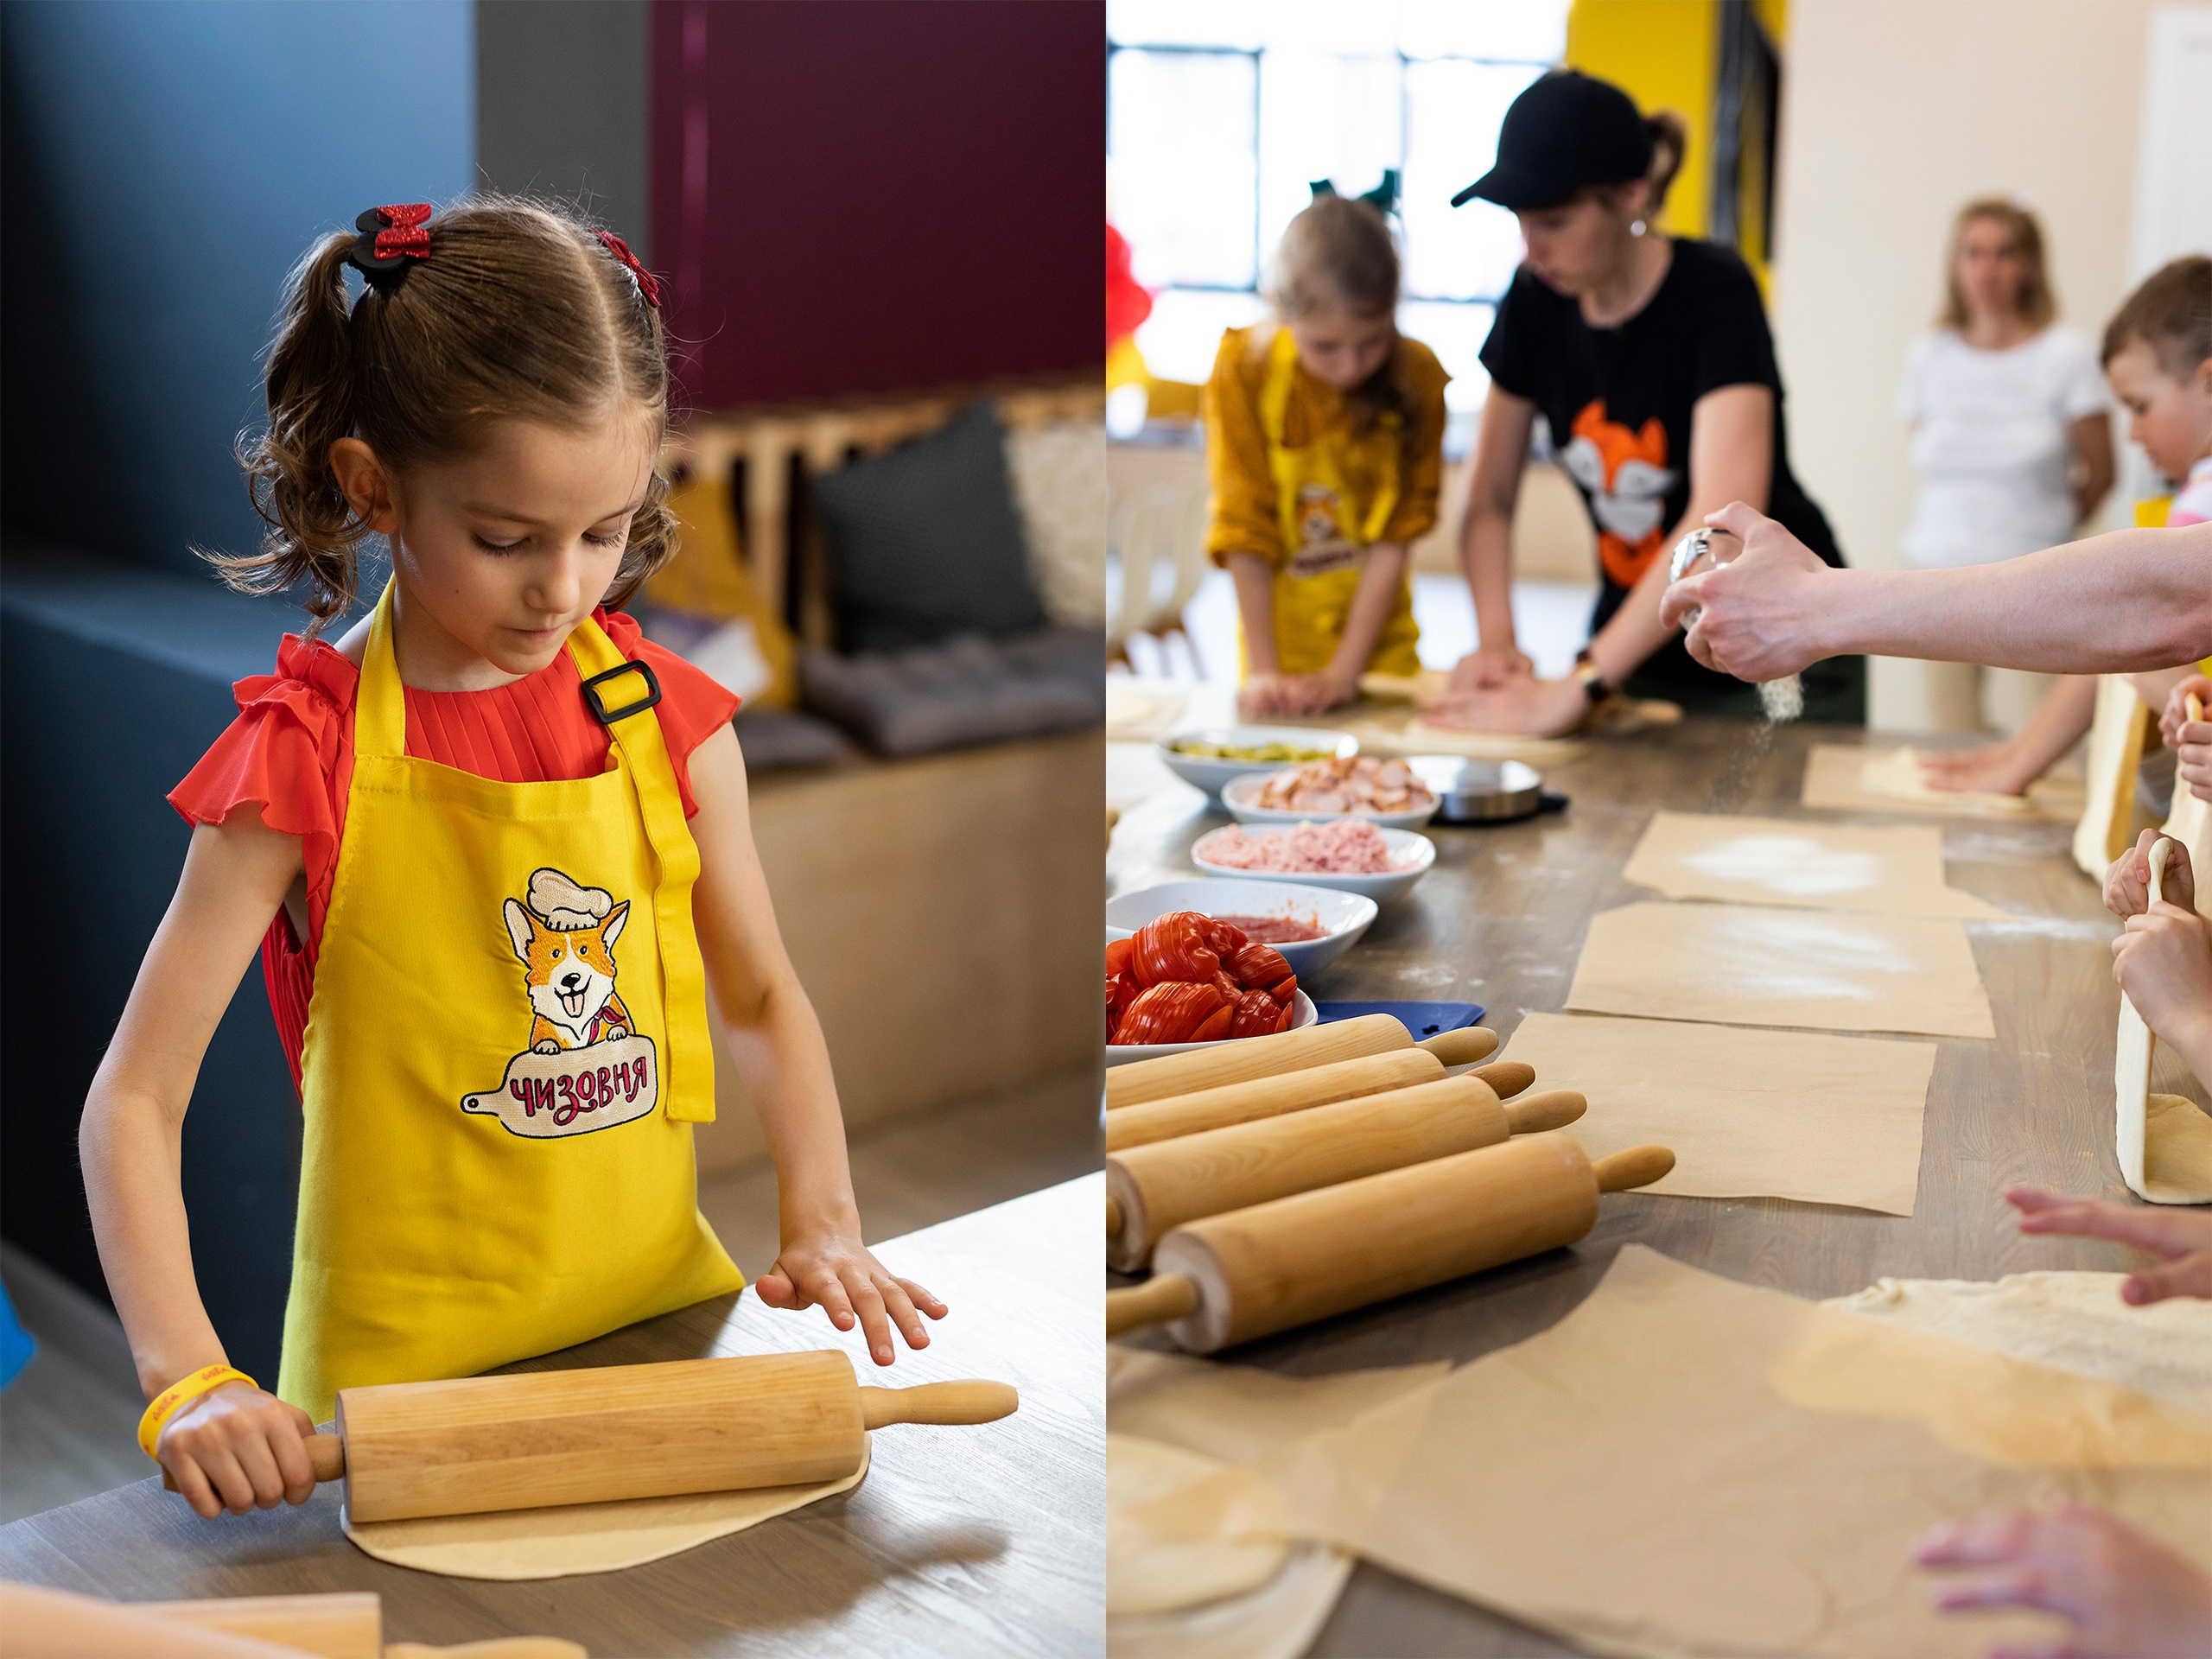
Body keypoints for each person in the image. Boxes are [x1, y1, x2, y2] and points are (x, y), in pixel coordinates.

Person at [78, 199, 944, 1522]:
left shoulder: (669, 722)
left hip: (658, 1330)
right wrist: (187, 1375)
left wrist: (823, 1217)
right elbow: (135, 1099)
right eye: (506, 540)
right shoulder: (300, 758)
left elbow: (763, 997)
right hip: (395, 1396)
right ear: (374, 486)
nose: (564, 590)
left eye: (605, 532)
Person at [1437, 69, 1862, 735]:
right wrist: (1498, 647)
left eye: (1553, 221)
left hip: (1779, 649)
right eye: (1519, 221)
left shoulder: (1714, 291)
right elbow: (1488, 497)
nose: (1531, 248)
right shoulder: (1534, 301)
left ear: (1630, 194)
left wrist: (1579, 685)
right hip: (1640, 652)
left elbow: (1717, 519)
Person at [1919, 255, 2209, 802]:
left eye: (2140, 407)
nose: (2133, 434)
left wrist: (2016, 765)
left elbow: (2125, 634)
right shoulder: (2191, 492)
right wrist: (2015, 756)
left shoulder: (2204, 497)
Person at [1205, 177, 1450, 718]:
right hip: (1279, 650)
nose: (1350, 367)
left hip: (1379, 652)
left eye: (1372, 342)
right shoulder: (1245, 368)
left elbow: (1395, 536)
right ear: (1279, 309)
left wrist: (1345, 671)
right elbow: (1244, 525)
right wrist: (1265, 670)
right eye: (1324, 346)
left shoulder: (1419, 376)